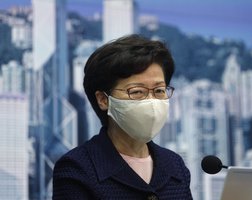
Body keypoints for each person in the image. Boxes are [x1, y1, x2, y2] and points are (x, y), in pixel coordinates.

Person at [53, 34, 193, 199]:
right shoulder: (77, 169)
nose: (152, 102)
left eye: (159, 91)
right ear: (103, 100)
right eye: (137, 92)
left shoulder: (175, 166)